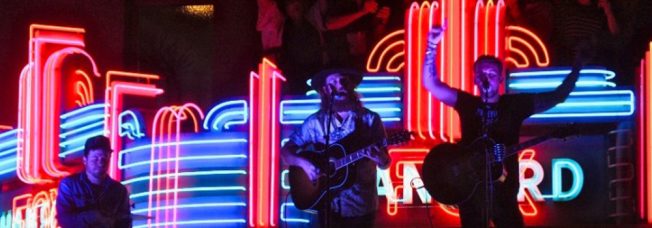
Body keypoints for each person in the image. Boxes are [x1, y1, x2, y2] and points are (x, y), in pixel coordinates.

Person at [422, 25, 588, 227]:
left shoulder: (514, 106)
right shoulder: (467, 103)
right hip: (471, 189)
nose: (486, 78)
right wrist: (431, 45)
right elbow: (431, 84)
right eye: (481, 74)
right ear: (474, 79)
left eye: (492, 74)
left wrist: (577, 68)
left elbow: (557, 96)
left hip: (504, 189)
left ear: (501, 79)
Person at [281, 68, 391, 227]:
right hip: (326, 205)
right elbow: (286, 152)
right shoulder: (315, 122)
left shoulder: (370, 119)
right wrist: (304, 164)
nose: (340, 85)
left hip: (361, 207)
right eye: (333, 82)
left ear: (352, 85)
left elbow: (385, 162)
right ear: (325, 89)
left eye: (344, 80)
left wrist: (379, 158)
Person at [56, 135, 132, 228]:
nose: (100, 162)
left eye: (104, 159)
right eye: (95, 158)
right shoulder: (69, 185)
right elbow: (64, 220)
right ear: (85, 160)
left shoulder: (120, 191)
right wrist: (94, 216)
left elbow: (125, 222)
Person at [323, 0, 391, 70]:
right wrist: (362, 12)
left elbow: (378, 35)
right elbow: (329, 24)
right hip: (339, 58)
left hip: (366, 59)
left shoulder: (373, 3)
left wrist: (382, 21)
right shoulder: (339, 2)